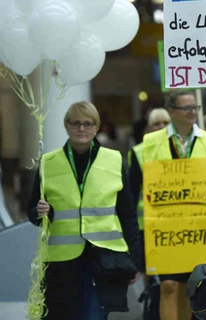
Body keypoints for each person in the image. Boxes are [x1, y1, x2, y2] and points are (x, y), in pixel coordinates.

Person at [27, 101, 142, 320]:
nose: (82, 129)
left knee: (94, 317)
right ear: (67, 126)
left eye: (88, 124)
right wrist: (42, 212)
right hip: (61, 263)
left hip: (105, 259)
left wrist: (135, 260)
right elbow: (32, 211)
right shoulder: (48, 162)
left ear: (96, 127)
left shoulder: (114, 160)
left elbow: (127, 214)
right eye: (76, 123)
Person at [132, 90, 206, 320]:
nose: (192, 113)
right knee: (168, 286)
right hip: (164, 232)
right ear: (172, 111)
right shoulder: (151, 143)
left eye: (195, 108)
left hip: (198, 231)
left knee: (193, 286)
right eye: (186, 108)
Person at [128, 107, 171, 320]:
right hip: (148, 228)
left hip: (175, 229)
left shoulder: (180, 151)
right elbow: (132, 193)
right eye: (157, 124)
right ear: (148, 128)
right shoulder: (139, 152)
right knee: (155, 284)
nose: (161, 128)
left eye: (165, 123)